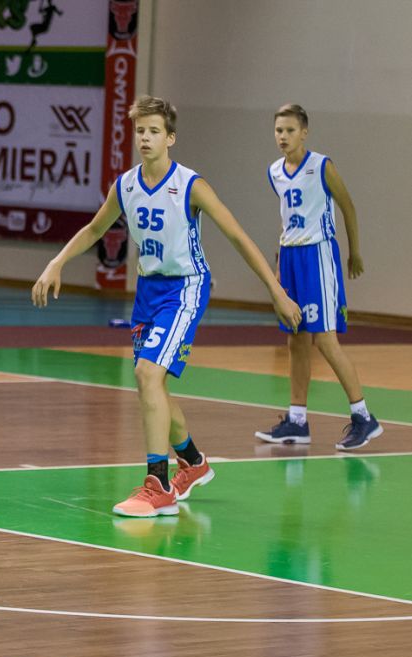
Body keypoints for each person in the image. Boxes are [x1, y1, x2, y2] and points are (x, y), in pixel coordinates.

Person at [32, 95, 302, 518]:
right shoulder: (125, 186)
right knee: (151, 384)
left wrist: (277, 292)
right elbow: (94, 229)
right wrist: (57, 262)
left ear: (170, 138)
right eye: (140, 130)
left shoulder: (191, 185)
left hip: (185, 288)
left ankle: (157, 485)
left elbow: (238, 237)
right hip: (148, 291)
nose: (145, 137)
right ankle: (193, 462)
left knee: (147, 373)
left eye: (154, 131)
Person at [255, 104, 382, 451]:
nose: (283, 136)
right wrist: (279, 265)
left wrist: (355, 252)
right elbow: (287, 218)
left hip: (319, 255)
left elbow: (348, 206)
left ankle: (364, 417)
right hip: (291, 258)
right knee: (296, 339)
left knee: (325, 340)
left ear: (304, 132)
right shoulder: (274, 172)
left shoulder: (322, 166)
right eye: (278, 130)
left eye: (290, 130)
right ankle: (297, 421)